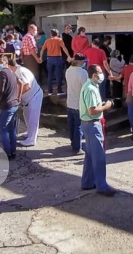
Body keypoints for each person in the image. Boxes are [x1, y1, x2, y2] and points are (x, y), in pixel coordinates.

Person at [79, 64, 116, 196]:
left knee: (90, 155)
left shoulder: (91, 86)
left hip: (88, 123)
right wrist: (106, 106)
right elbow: (92, 110)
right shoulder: (90, 88)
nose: (102, 75)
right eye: (100, 72)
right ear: (94, 75)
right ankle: (102, 186)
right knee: (98, 155)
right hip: (92, 124)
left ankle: (88, 182)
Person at [65, 54, 88, 154]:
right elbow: (86, 89)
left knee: (71, 125)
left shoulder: (68, 70)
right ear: (79, 62)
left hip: (70, 102)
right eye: (83, 61)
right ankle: (77, 147)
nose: (84, 63)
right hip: (79, 103)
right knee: (79, 126)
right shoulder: (83, 73)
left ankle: (73, 143)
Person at [41, 29, 72, 95]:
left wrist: (40, 57)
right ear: (57, 34)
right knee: (58, 75)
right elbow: (64, 48)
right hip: (58, 58)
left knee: (50, 75)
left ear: (51, 34)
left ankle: (50, 91)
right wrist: (68, 56)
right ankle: (59, 90)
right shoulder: (59, 40)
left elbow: (42, 50)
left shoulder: (47, 41)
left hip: (49, 59)